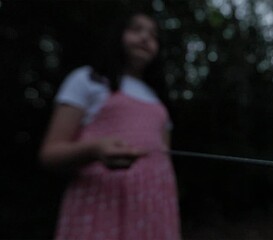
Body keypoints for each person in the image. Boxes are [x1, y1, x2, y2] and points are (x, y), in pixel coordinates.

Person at [39, 9, 180, 240]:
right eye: (136, 29)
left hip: (155, 208)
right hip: (101, 204)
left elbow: (165, 161)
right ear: (117, 35)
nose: (145, 38)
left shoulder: (158, 101)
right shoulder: (87, 79)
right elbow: (49, 154)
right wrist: (94, 150)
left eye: (153, 35)